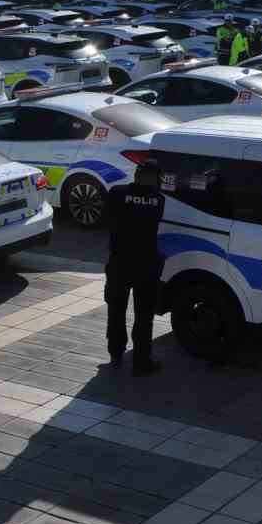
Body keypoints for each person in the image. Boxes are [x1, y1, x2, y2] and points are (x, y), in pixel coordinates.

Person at [104, 159, 165, 376]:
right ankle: (141, 361)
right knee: (144, 315)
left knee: (116, 309)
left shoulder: (116, 193)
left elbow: (108, 219)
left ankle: (115, 352)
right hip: (146, 266)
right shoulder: (159, 201)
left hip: (119, 263)